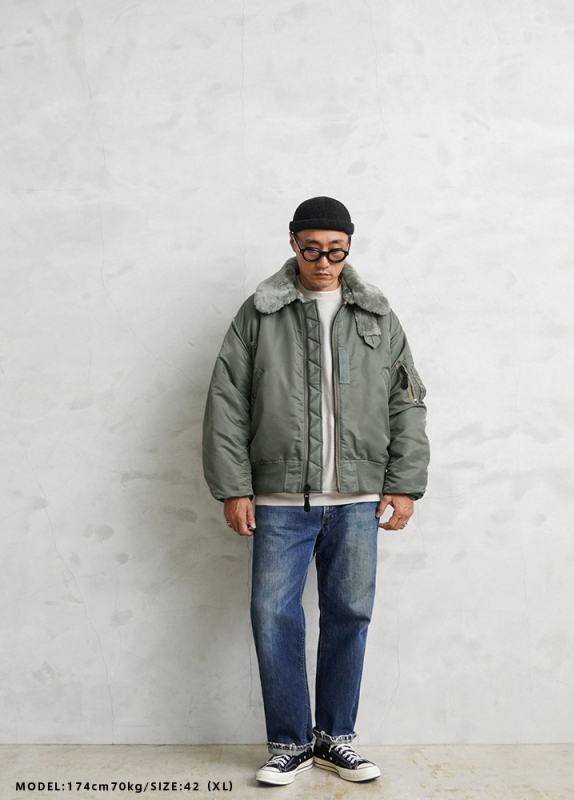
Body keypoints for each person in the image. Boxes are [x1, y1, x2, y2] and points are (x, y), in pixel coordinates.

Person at [202, 196, 430, 785]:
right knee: (273, 615)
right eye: (312, 250)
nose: (324, 262)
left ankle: (335, 739)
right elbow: (227, 402)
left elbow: (407, 403)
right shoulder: (260, 313)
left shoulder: (377, 315)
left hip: (357, 500)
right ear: (293, 243)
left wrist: (404, 484)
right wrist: (234, 487)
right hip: (279, 501)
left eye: (336, 251)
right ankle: (289, 743)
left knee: (350, 615)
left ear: (348, 248)